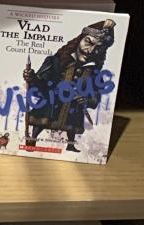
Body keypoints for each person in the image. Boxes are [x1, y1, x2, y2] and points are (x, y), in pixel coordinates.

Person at [23, 18, 117, 153]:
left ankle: (70, 145)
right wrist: (32, 78)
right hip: (51, 102)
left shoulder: (95, 73)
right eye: (88, 42)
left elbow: (95, 98)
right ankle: (33, 138)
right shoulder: (55, 61)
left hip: (73, 108)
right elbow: (40, 85)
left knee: (71, 125)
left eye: (98, 48)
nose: (90, 51)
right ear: (79, 39)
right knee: (41, 120)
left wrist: (86, 100)